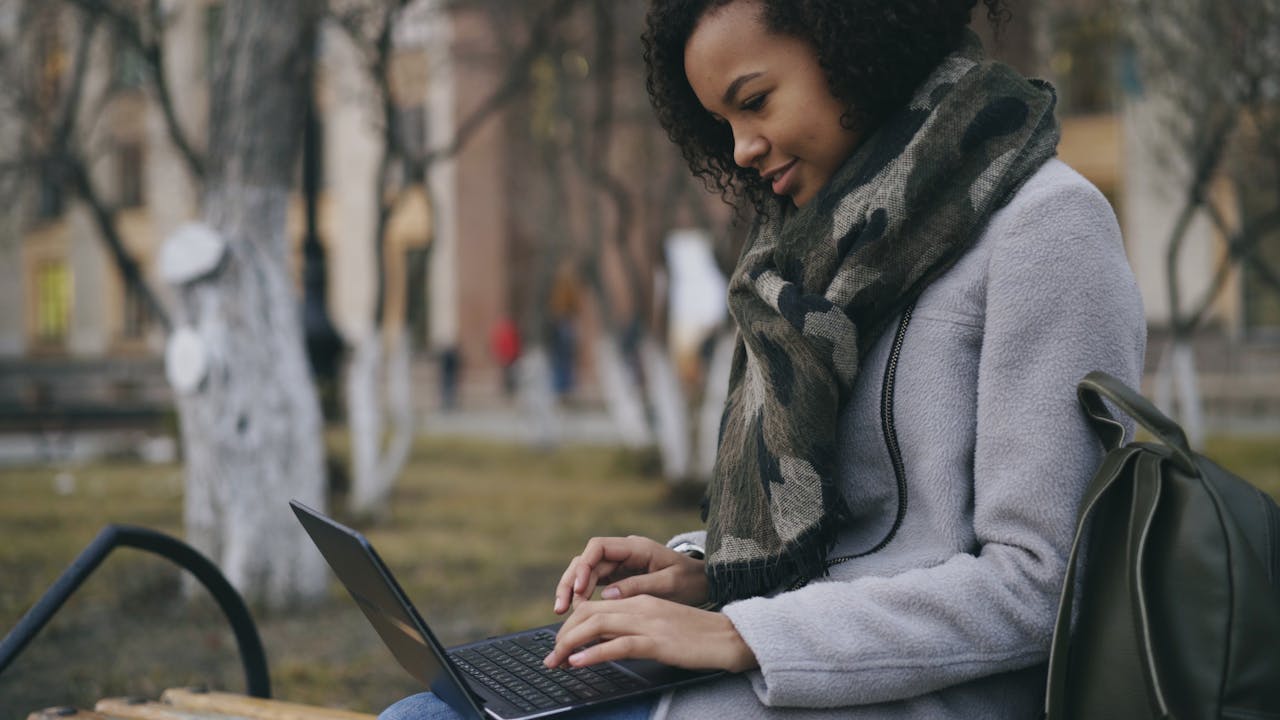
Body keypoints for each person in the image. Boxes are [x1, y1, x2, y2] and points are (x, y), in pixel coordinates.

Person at [380, 0, 1145, 717]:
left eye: (754, 102)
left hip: (925, 695)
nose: (741, 151)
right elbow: (845, 532)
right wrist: (706, 576)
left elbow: (1044, 587)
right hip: (798, 675)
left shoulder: (1047, 229)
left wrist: (743, 633)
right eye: (722, 122)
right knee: (441, 705)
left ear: (855, 47)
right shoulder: (811, 252)